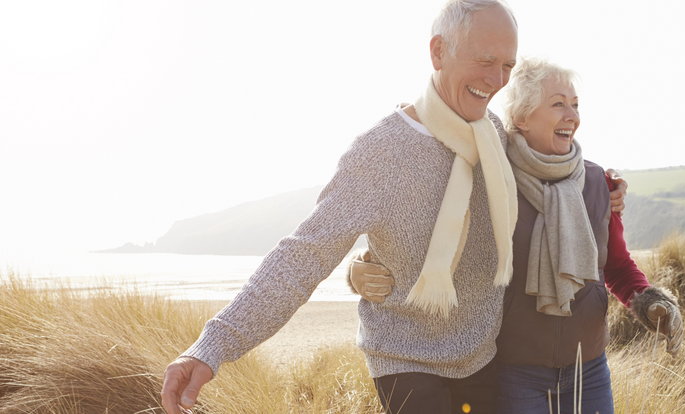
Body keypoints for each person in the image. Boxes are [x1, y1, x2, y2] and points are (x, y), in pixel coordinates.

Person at [161, 1, 521, 413]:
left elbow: (547, 176)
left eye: (508, 65)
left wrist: (608, 188)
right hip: (406, 360)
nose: (497, 80)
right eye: (485, 60)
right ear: (438, 51)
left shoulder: (493, 136)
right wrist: (213, 345)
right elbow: (304, 254)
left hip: (484, 356)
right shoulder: (380, 153)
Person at [349, 58, 683, 414]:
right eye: (558, 104)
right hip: (514, 373)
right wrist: (359, 269)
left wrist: (647, 300)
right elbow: (432, 243)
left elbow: (615, 266)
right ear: (522, 117)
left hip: (589, 368)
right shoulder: (489, 181)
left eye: (575, 104)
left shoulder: (599, 184)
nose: (572, 115)